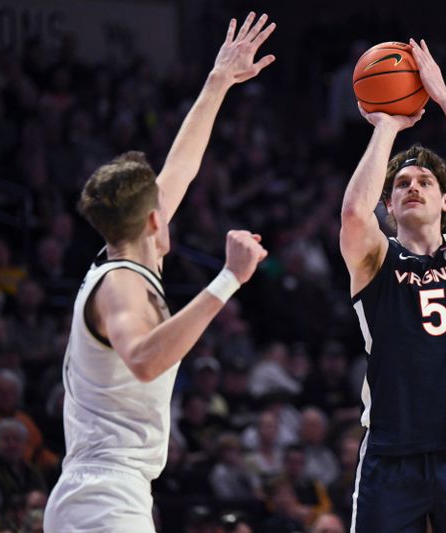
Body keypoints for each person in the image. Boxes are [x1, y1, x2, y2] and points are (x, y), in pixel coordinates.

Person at [43, 12, 275, 532]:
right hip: (103, 495)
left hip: (106, 491)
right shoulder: (121, 284)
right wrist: (228, 279)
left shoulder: (124, 257)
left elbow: (181, 166)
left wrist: (218, 82)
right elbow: (144, 359)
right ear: (154, 220)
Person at [339, 38, 446, 532]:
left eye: (425, 182)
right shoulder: (375, 260)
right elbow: (353, 211)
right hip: (391, 453)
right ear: (388, 207)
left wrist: (443, 98)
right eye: (401, 185)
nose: (412, 186)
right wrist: (387, 126)